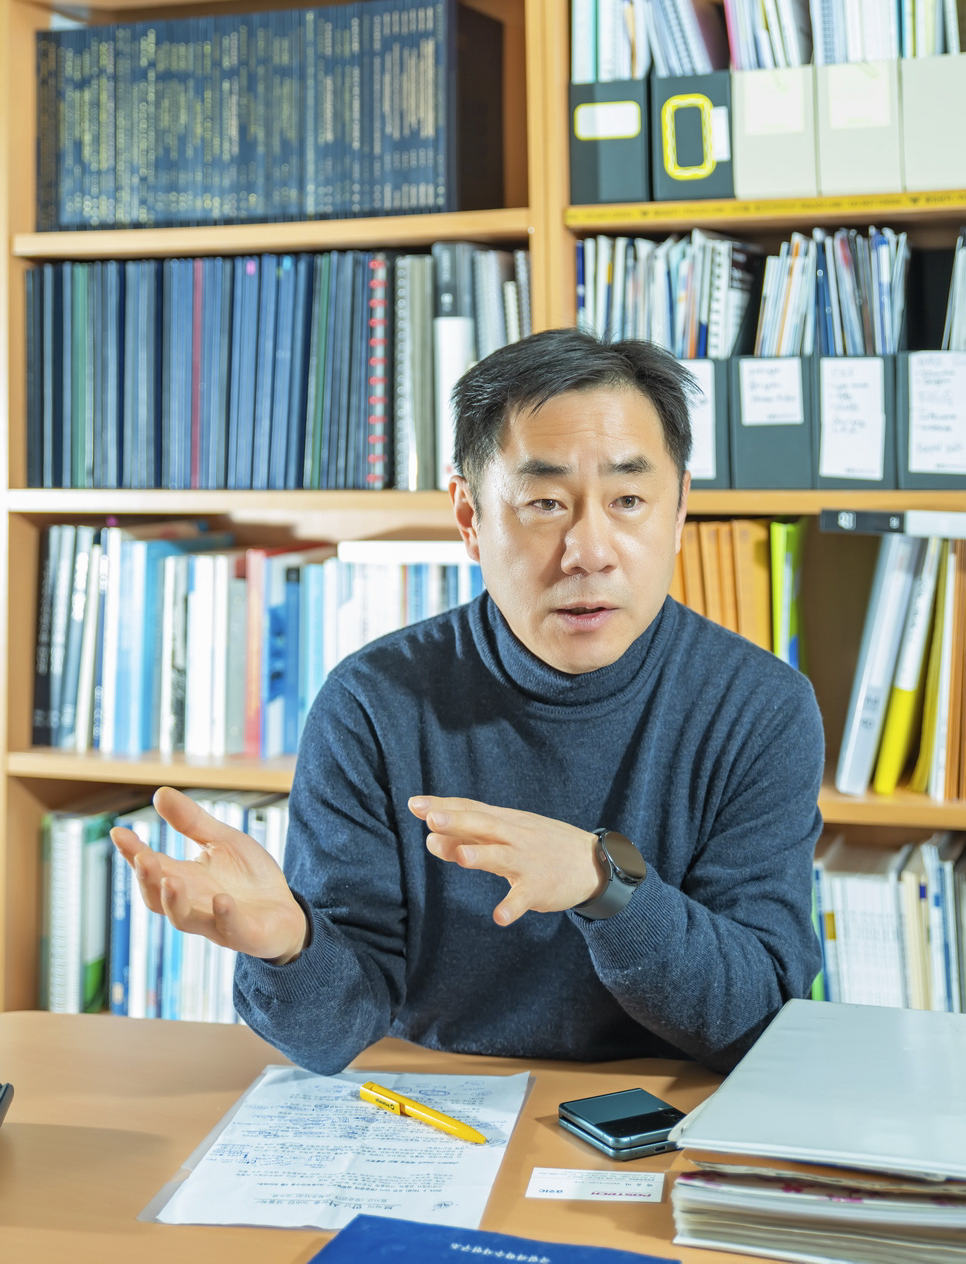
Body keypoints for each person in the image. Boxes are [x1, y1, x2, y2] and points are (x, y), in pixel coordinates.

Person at [113, 329, 823, 1075]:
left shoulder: (760, 710)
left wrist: (602, 884)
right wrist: (291, 947)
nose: (590, 551)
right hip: (443, 1103)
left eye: (629, 500)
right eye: (544, 502)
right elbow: (333, 1036)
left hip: (667, 1109)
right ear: (470, 518)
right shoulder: (373, 705)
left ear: (678, 513)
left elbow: (759, 1019)